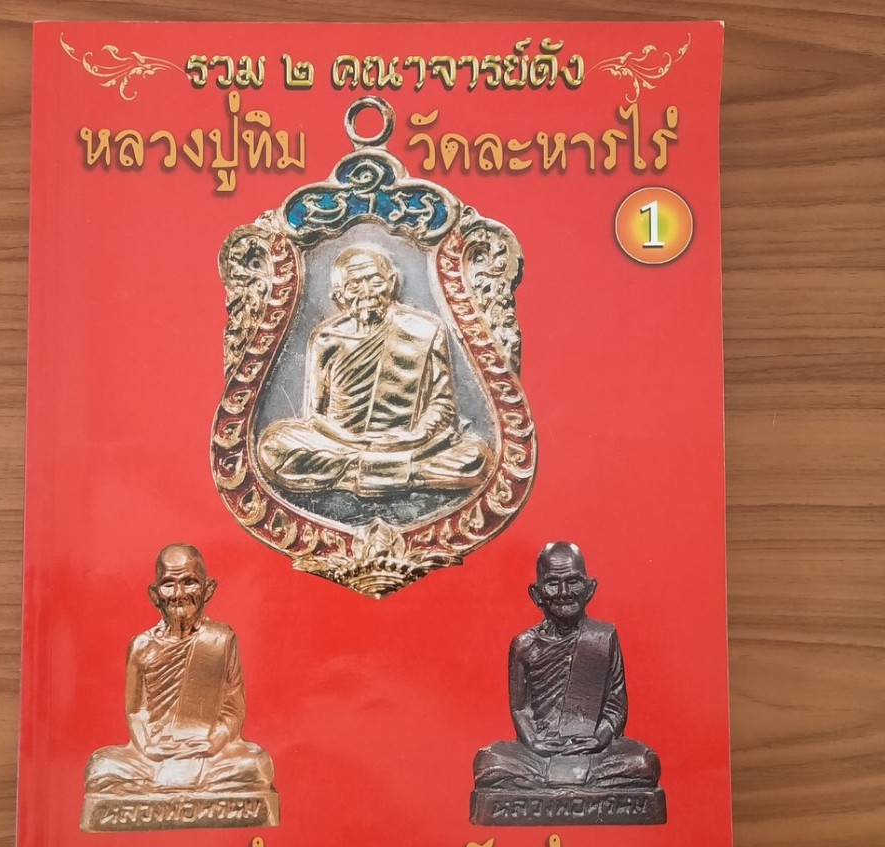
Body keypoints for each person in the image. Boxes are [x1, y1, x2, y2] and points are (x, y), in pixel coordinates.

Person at [257, 246, 490, 497]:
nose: (367, 293)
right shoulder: (327, 338)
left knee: (476, 457)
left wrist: (415, 436)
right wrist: (355, 441)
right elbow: (315, 415)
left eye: (375, 281)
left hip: (408, 444)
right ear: (339, 295)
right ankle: (408, 473)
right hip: (343, 444)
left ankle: (362, 472)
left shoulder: (426, 329)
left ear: (392, 282)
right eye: (354, 286)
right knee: (273, 446)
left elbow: (442, 403)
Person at [84, 544, 274, 795]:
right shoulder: (142, 646)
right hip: (153, 756)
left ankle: (169, 784)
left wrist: (214, 743)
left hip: (208, 754)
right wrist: (148, 748)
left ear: (208, 589)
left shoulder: (220, 639)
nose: (179, 594)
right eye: (168, 584)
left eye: (190, 582)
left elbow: (233, 709)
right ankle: (169, 781)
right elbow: (136, 711)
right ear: (154, 594)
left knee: (256, 766)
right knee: (100, 766)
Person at [474, 542, 661, 790]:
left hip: (592, 751)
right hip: (538, 754)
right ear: (536, 594)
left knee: (644, 762)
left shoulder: (602, 637)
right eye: (553, 583)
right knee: (488, 763)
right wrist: (534, 743)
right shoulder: (524, 645)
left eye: (573, 581)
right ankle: (563, 779)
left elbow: (616, 706)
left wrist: (600, 739)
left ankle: (557, 781)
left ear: (590, 589)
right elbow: (520, 708)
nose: (564, 592)